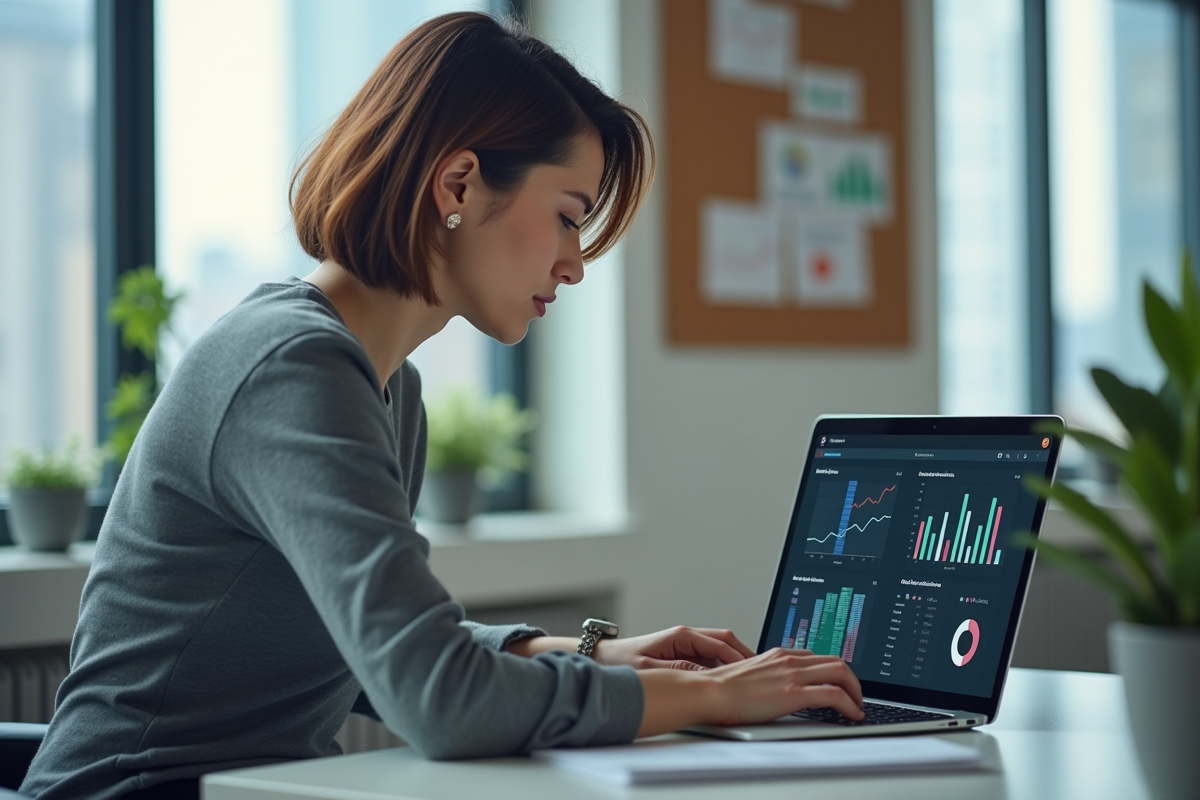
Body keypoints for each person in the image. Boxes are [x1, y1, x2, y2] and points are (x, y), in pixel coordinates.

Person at [21, 12, 863, 800]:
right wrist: (715, 700)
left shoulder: (389, 387)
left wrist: (599, 653)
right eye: (568, 218)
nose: (574, 265)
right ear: (458, 181)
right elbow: (442, 701)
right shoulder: (292, 366)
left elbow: (368, 655)